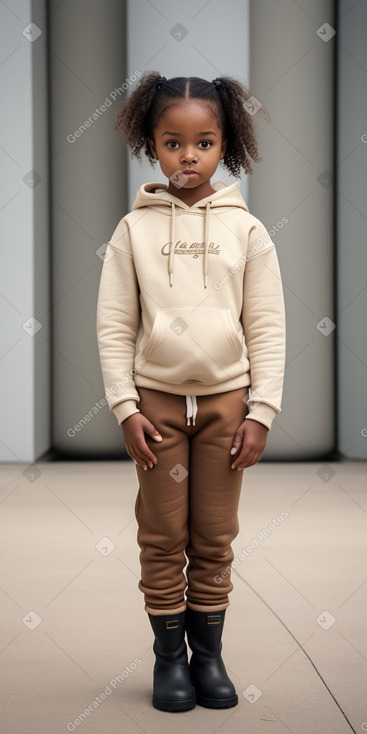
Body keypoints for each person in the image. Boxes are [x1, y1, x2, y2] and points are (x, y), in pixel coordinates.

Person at [96, 71, 286, 713]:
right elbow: (114, 326)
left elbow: (267, 327)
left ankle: (210, 659)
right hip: (157, 410)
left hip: (227, 408)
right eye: (173, 142)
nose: (188, 155)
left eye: (204, 142)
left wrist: (261, 412)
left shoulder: (248, 231)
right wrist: (124, 407)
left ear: (225, 145)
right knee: (162, 534)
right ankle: (168, 660)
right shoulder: (132, 231)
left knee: (214, 536)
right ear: (152, 145)